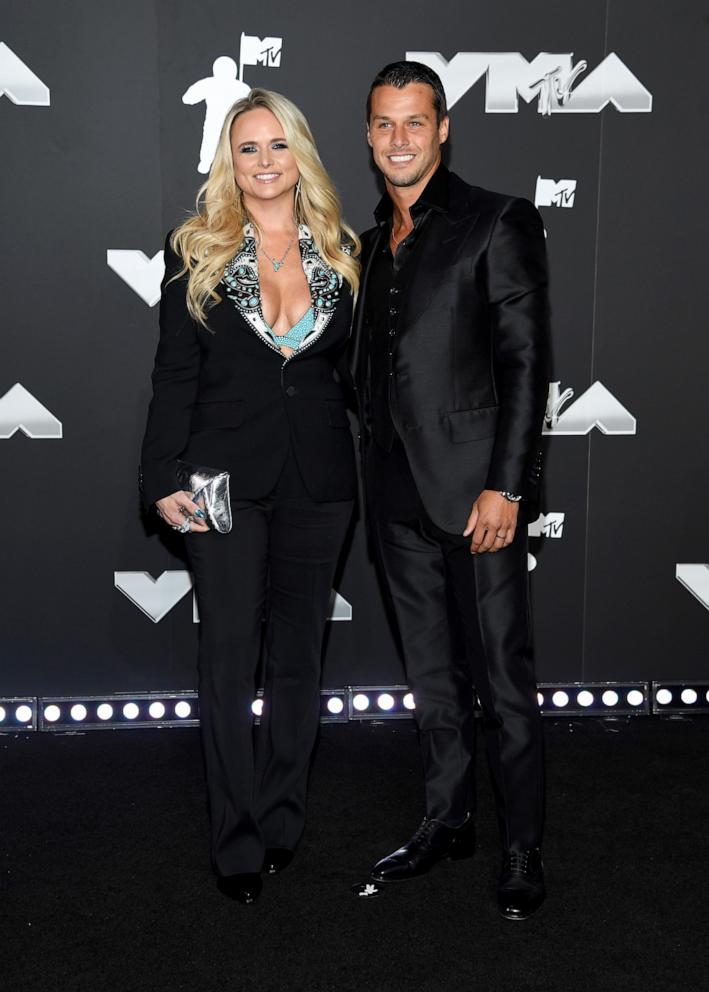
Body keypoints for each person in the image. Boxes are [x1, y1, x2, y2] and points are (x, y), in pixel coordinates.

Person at [140, 89, 360, 905]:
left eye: (276, 146)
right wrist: (161, 474)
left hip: (321, 482)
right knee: (228, 661)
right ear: (228, 164)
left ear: (299, 153)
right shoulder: (194, 249)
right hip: (220, 481)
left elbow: (355, 376)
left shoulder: (342, 251)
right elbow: (173, 373)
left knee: (299, 661)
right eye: (247, 149)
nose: (263, 162)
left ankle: (281, 818)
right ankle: (233, 839)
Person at [350, 62, 550, 920]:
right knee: (433, 682)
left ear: (442, 130)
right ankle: (447, 820)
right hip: (392, 496)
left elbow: (525, 364)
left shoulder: (496, 220)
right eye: (384, 124)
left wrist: (505, 487)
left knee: (500, 682)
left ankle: (521, 846)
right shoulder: (367, 243)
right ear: (367, 135)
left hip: (476, 501)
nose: (399, 139)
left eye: (414, 123)